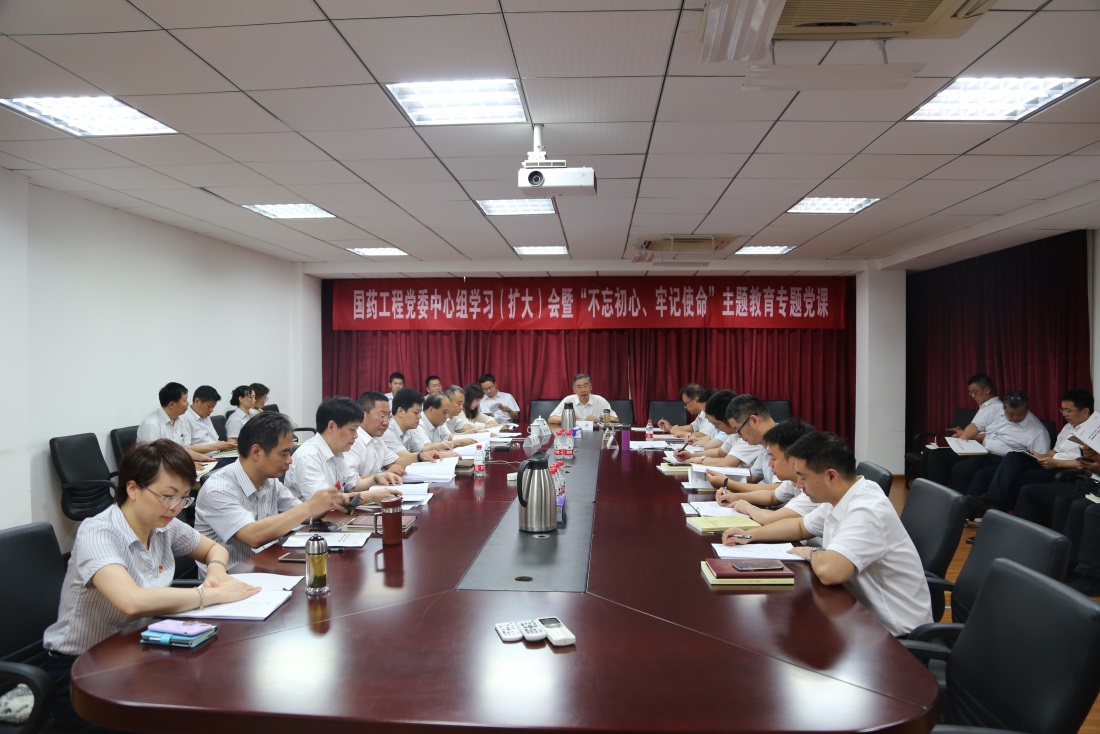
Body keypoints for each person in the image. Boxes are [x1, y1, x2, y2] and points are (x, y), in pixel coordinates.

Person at [43, 440, 259, 729]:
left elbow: (214, 548)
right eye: (167, 496)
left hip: (136, 650)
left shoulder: (163, 525)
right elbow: (131, 601)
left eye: (183, 498)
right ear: (133, 489)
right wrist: (209, 595)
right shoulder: (98, 532)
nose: (175, 508)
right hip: (82, 670)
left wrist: (217, 570)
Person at [722, 432, 932, 637]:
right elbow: (800, 526)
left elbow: (830, 572)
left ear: (831, 476)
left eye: (803, 477)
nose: (799, 485)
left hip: (895, 634)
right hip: (858, 615)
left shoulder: (867, 511)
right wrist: (750, 535)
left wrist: (810, 552)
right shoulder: (843, 495)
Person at [195, 412, 357, 570]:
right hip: (231, 578)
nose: (290, 460)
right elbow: (252, 535)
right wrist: (309, 507)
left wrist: (327, 503)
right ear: (256, 452)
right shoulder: (218, 489)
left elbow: (302, 514)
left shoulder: (270, 481)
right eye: (284, 453)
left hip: (265, 565)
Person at [969, 388, 1092, 513]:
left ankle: (998, 509)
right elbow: (1055, 452)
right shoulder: (1068, 427)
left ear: (1085, 411)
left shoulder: (1093, 431)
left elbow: (1086, 463)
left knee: (1019, 478)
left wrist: (1056, 463)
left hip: (1065, 470)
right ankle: (992, 498)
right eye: (1063, 410)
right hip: (1052, 463)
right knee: (1013, 456)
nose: (1064, 414)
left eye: (1068, 411)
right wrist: (1041, 455)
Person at [284, 397, 404, 502]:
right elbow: (325, 502)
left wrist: (376, 478)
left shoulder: (336, 451)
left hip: (334, 516)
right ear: (331, 426)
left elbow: (352, 485)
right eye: (352, 430)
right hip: (312, 520)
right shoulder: (308, 457)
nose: (356, 436)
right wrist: (370, 497)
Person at [951, 390, 1051, 499]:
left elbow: (1039, 460)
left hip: (1005, 463)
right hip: (985, 453)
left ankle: (974, 507)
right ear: (1004, 408)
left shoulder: (1038, 431)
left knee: (982, 475)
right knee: (959, 468)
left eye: (1020, 414)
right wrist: (964, 437)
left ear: (1027, 409)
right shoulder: (995, 409)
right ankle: (960, 501)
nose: (1015, 418)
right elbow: (976, 426)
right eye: (1011, 414)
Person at [719, 419, 818, 524]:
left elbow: (770, 518)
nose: (770, 464)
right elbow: (772, 496)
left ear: (794, 459)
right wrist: (734, 497)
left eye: (773, 458)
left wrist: (746, 507)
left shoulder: (814, 488)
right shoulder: (794, 480)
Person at [348, 391, 438, 478]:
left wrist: (420, 456)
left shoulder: (377, 438)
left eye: (388, 417)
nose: (386, 422)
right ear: (363, 414)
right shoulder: (352, 440)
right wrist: (382, 476)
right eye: (382, 416)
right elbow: (351, 482)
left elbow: (395, 462)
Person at [703, 394, 778, 491]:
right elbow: (752, 476)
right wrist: (719, 472)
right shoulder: (764, 444)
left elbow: (778, 490)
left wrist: (727, 483)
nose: (739, 436)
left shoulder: (785, 441)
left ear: (754, 421)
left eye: (738, 430)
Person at [676, 390, 762, 470]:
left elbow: (726, 462)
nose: (717, 428)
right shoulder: (734, 435)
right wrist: (691, 455)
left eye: (716, 424)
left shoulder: (749, 435)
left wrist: (701, 459)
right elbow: (719, 452)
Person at [137, 382, 209, 462]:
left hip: (175, 464)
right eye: (185, 400)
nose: (188, 403)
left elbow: (184, 449)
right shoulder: (151, 424)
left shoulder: (180, 420)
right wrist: (185, 466)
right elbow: (152, 458)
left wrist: (201, 457)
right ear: (172, 404)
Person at [383, 388, 456, 456]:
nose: (420, 417)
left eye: (420, 412)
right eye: (416, 413)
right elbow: (405, 457)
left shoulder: (409, 430)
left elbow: (421, 449)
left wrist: (437, 447)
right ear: (401, 411)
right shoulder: (387, 431)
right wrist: (448, 454)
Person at [183, 385, 236, 455]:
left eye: (213, 407)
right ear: (197, 401)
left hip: (218, 454)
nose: (211, 410)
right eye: (209, 406)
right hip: (203, 459)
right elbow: (186, 449)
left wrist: (227, 445)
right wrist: (216, 446)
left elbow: (214, 440)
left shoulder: (205, 416)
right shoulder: (185, 418)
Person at [949, 373, 1004, 440]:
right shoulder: (984, 406)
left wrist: (964, 434)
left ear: (987, 390)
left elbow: (994, 437)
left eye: (975, 392)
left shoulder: (998, 407)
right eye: (971, 393)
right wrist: (964, 432)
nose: (973, 396)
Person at [548, 373, 616, 425]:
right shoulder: (568, 400)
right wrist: (569, 418)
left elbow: (615, 419)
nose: (583, 390)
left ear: (591, 387)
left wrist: (598, 419)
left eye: (585, 386)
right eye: (579, 387)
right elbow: (551, 419)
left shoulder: (600, 401)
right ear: (574, 389)